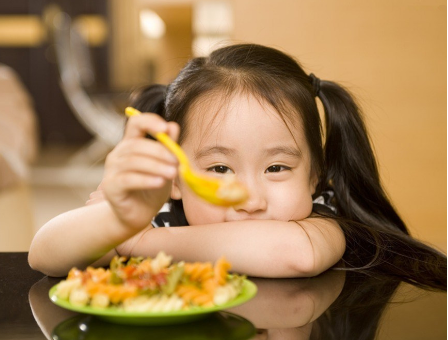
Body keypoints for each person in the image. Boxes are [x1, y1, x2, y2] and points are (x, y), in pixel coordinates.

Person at [29, 44, 446, 290]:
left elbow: (294, 255)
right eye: (220, 169)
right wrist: (115, 220)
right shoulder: (153, 218)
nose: (250, 198)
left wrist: (138, 246)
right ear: (175, 177)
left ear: (315, 175)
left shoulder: (319, 220)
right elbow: (44, 254)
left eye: (277, 168)